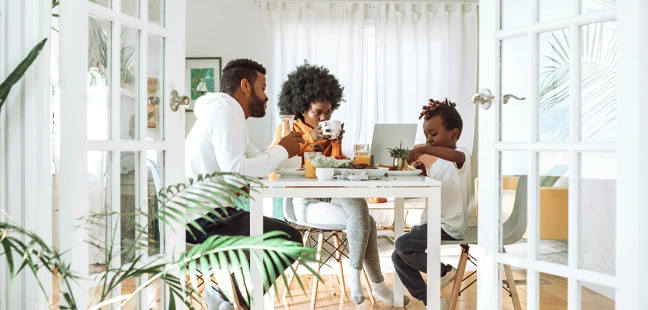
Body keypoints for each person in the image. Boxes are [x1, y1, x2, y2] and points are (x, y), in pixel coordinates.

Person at [269, 62, 409, 306]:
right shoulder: (287, 129)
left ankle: (360, 280)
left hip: (332, 193)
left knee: (360, 208)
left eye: (329, 112)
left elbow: (334, 169)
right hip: (305, 202)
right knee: (366, 220)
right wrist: (308, 138)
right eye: (318, 113)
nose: (324, 118)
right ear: (302, 108)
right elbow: (273, 168)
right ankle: (373, 285)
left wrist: (335, 144)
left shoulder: (327, 132)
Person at [185, 58, 305, 310]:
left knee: (285, 236)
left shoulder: (226, 113)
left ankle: (224, 294)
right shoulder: (225, 111)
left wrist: (284, 151)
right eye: (262, 88)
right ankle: (235, 299)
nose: (266, 97)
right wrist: (282, 150)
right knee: (289, 239)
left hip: (207, 214)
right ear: (245, 86)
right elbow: (238, 171)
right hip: (201, 221)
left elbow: (255, 161)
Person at [391, 98, 472, 307]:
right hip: (432, 223)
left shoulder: (461, 155)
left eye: (433, 134)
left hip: (449, 225)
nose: (428, 140)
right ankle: (432, 301)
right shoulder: (438, 163)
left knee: (403, 245)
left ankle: (444, 271)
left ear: (453, 134)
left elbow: (456, 156)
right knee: (398, 256)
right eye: (426, 135)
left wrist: (424, 150)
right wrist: (424, 171)